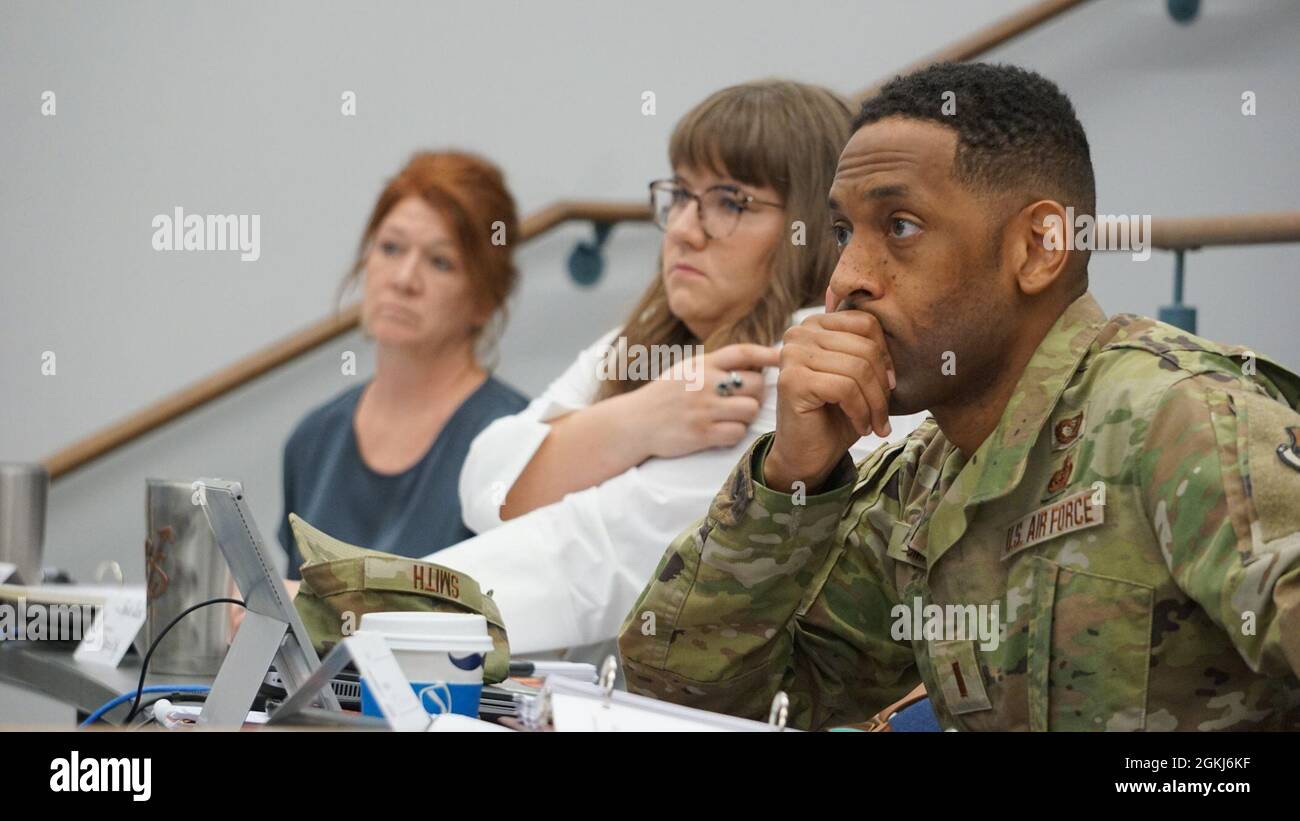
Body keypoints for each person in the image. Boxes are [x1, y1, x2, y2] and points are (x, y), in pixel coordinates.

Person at [619, 62, 1300, 731]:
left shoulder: (1183, 422)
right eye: (840, 234)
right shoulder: (925, 479)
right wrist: (790, 477)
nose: (845, 280)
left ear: (1038, 249)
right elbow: (684, 695)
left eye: (900, 227)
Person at [430, 80, 926, 654]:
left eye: (731, 202)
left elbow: (602, 556)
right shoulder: (647, 342)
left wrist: (367, 608)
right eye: (682, 195)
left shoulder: (820, 361)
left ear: (815, 225)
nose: (686, 230)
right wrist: (640, 420)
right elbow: (483, 483)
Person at [278, 151, 529, 582]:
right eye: (391, 248)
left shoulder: (512, 439)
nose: (404, 279)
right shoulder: (314, 439)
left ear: (485, 300)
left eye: (440, 262)